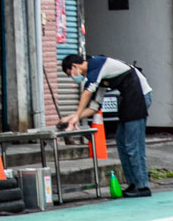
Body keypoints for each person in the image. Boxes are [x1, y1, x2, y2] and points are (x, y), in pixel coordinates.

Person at [58, 52, 153, 197]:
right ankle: (133, 184)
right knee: (121, 143)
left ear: (75, 66)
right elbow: (94, 107)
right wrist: (71, 118)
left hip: (140, 95)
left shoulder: (97, 64)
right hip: (129, 99)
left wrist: (77, 115)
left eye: (70, 74)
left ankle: (142, 186)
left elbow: (87, 93)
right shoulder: (99, 76)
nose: (73, 78)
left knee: (133, 145)